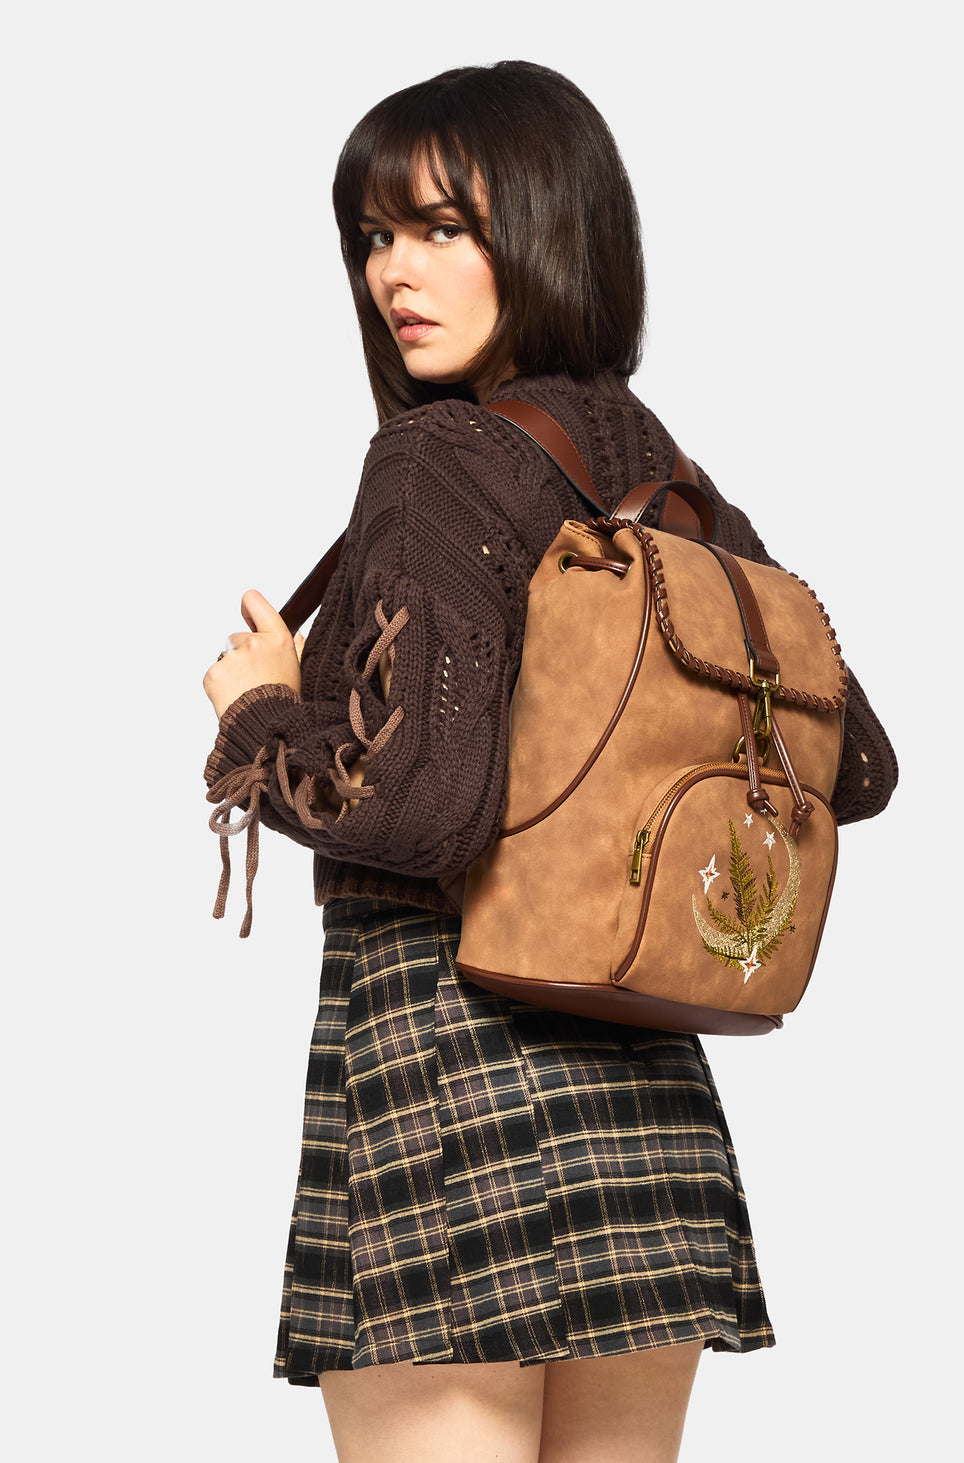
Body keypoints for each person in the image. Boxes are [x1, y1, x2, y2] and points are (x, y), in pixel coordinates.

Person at [202, 61, 897, 1463]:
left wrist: (260, 713)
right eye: (375, 235)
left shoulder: (436, 460)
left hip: (450, 1068)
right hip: (643, 1096)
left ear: (547, 228)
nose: (395, 273)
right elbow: (857, 763)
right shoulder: (660, 472)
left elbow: (413, 808)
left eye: (444, 227)